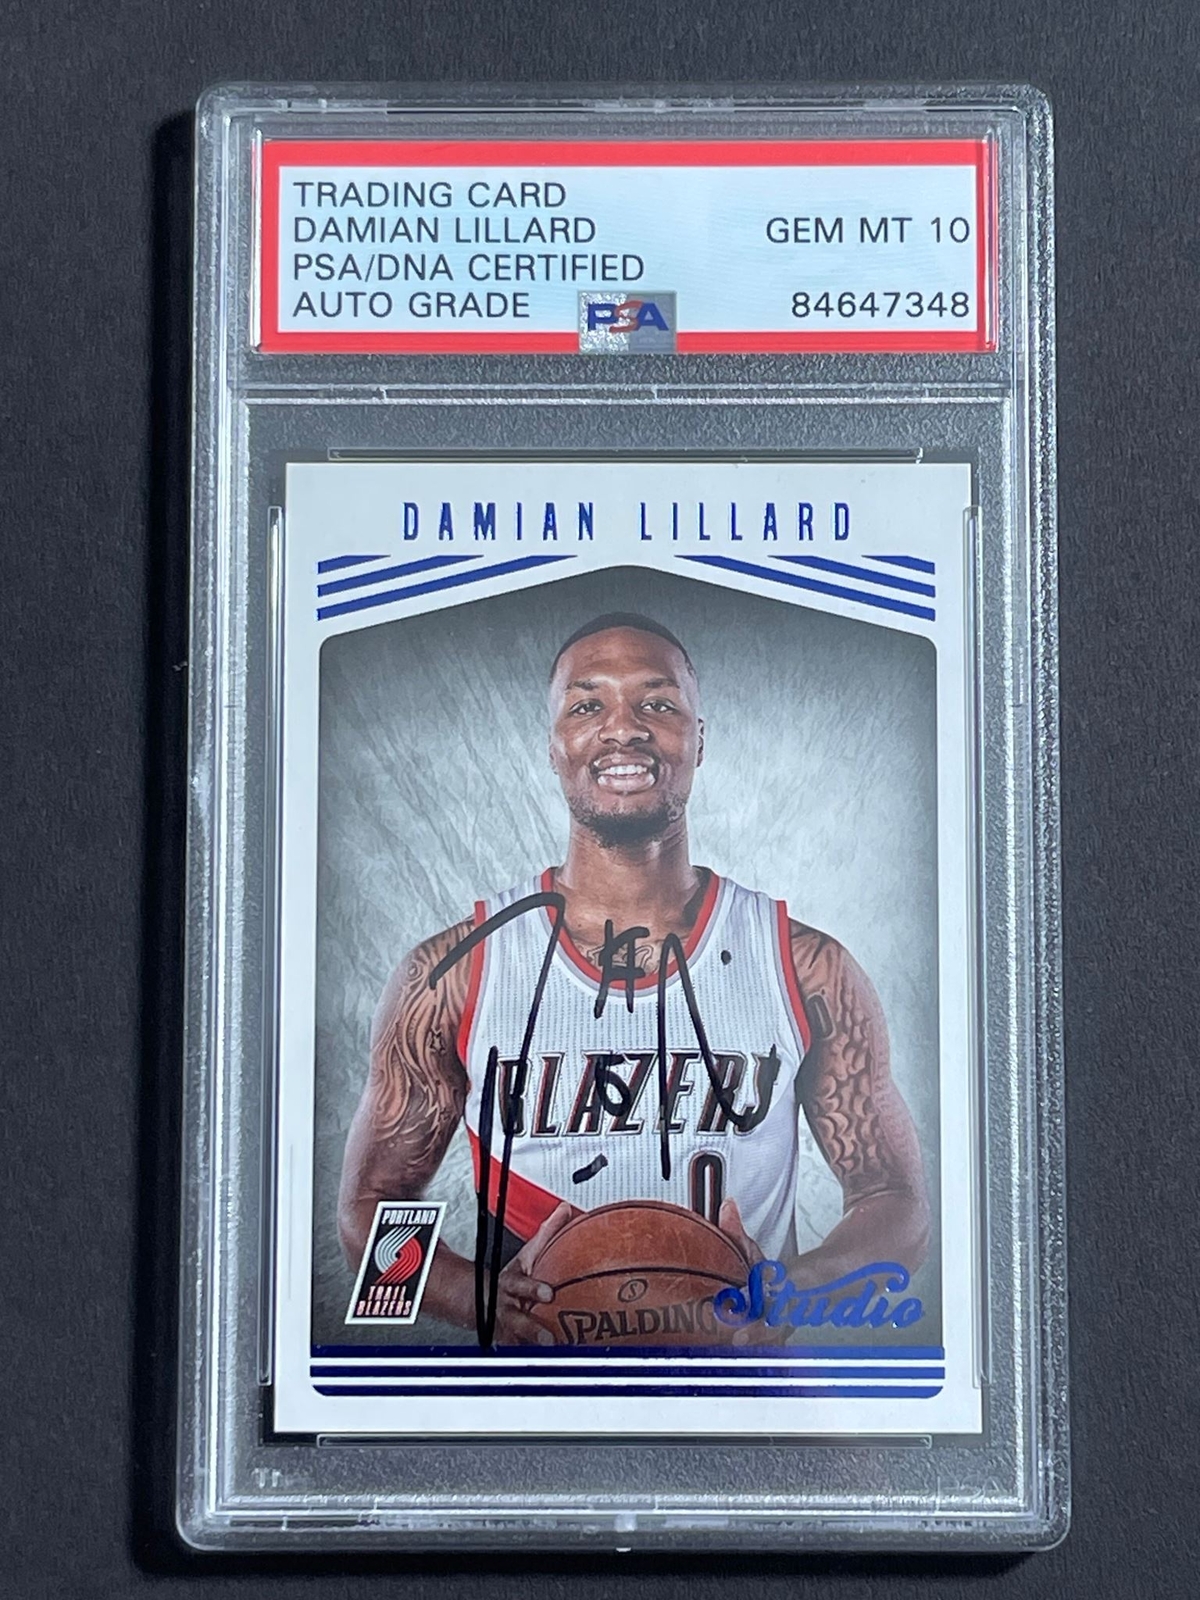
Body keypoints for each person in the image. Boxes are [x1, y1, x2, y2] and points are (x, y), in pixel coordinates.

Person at [338, 612, 929, 1343]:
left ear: (698, 738)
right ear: (553, 746)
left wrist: (795, 1290)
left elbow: (896, 1201)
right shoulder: (453, 974)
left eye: (658, 703)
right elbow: (366, 1208)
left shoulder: (807, 968)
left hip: (743, 1397)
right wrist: (472, 1298)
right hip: (534, 1400)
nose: (624, 728)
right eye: (587, 706)